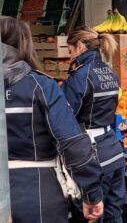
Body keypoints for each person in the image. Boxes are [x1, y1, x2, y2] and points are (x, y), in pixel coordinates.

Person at [1, 16, 104, 223]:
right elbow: (73, 144)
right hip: (36, 195)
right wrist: (91, 194)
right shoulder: (41, 86)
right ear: (25, 45)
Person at [61, 26, 126, 223]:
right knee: (114, 214)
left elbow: (64, 118)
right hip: (114, 151)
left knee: (93, 216)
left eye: (70, 51)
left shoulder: (80, 77)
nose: (70, 57)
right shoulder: (110, 73)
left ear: (80, 46)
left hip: (93, 157)